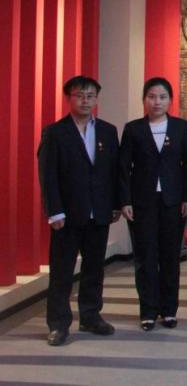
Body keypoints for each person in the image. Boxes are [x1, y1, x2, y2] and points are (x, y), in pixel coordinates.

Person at [38, 76, 121, 347]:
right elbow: (48, 175)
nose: (85, 101)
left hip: (99, 212)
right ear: (69, 98)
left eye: (90, 96)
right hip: (67, 215)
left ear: (96, 99)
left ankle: (90, 316)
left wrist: (116, 203)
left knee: (94, 268)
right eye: (79, 95)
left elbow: (114, 171)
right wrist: (54, 211)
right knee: (62, 272)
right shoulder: (55, 132)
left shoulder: (108, 131)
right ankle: (58, 324)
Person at [118, 77, 187, 331]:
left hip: (173, 202)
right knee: (145, 257)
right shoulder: (133, 129)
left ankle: (169, 310)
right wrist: (125, 201)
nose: (157, 102)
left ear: (170, 100)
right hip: (142, 202)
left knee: (171, 257)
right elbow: (123, 168)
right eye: (151, 97)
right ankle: (148, 311)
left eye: (162, 97)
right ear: (144, 100)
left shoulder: (181, 127)